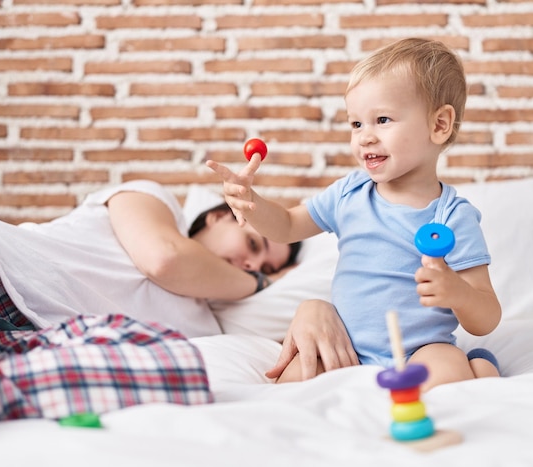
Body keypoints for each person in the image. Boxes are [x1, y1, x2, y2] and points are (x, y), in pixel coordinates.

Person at [207, 37, 502, 391]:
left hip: (420, 350)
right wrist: (250, 201)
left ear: (439, 124)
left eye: (382, 120)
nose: (364, 138)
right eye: (356, 124)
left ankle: (478, 365)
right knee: (290, 385)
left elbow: (486, 316)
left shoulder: (453, 216)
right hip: (346, 348)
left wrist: (458, 293)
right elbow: (286, 226)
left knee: (446, 374)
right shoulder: (350, 193)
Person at [0, 179, 300, 338]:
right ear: (219, 217)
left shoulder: (205, 328)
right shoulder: (152, 199)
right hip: (3, 270)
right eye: (253, 245)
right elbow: (165, 260)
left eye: (266, 268)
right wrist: (263, 282)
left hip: (23, 339)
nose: (253, 265)